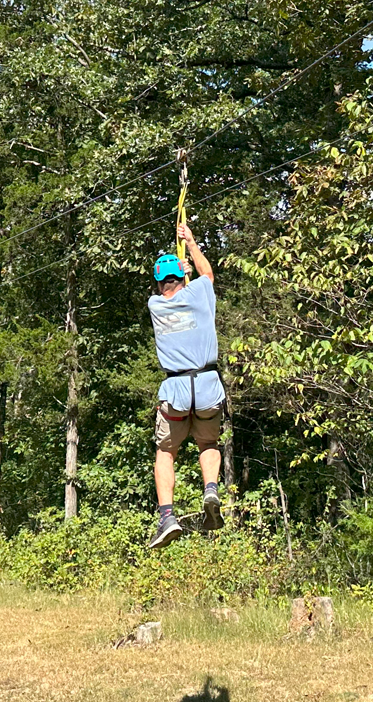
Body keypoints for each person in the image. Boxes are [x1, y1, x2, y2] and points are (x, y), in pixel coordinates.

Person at [146, 221, 226, 549]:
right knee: (208, 444)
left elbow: (186, 288)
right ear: (182, 277)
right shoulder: (199, 294)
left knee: (166, 451)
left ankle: (167, 516)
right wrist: (191, 244)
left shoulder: (156, 306)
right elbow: (207, 276)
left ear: (158, 282)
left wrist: (182, 267)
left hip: (176, 391)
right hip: (207, 386)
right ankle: (211, 489)